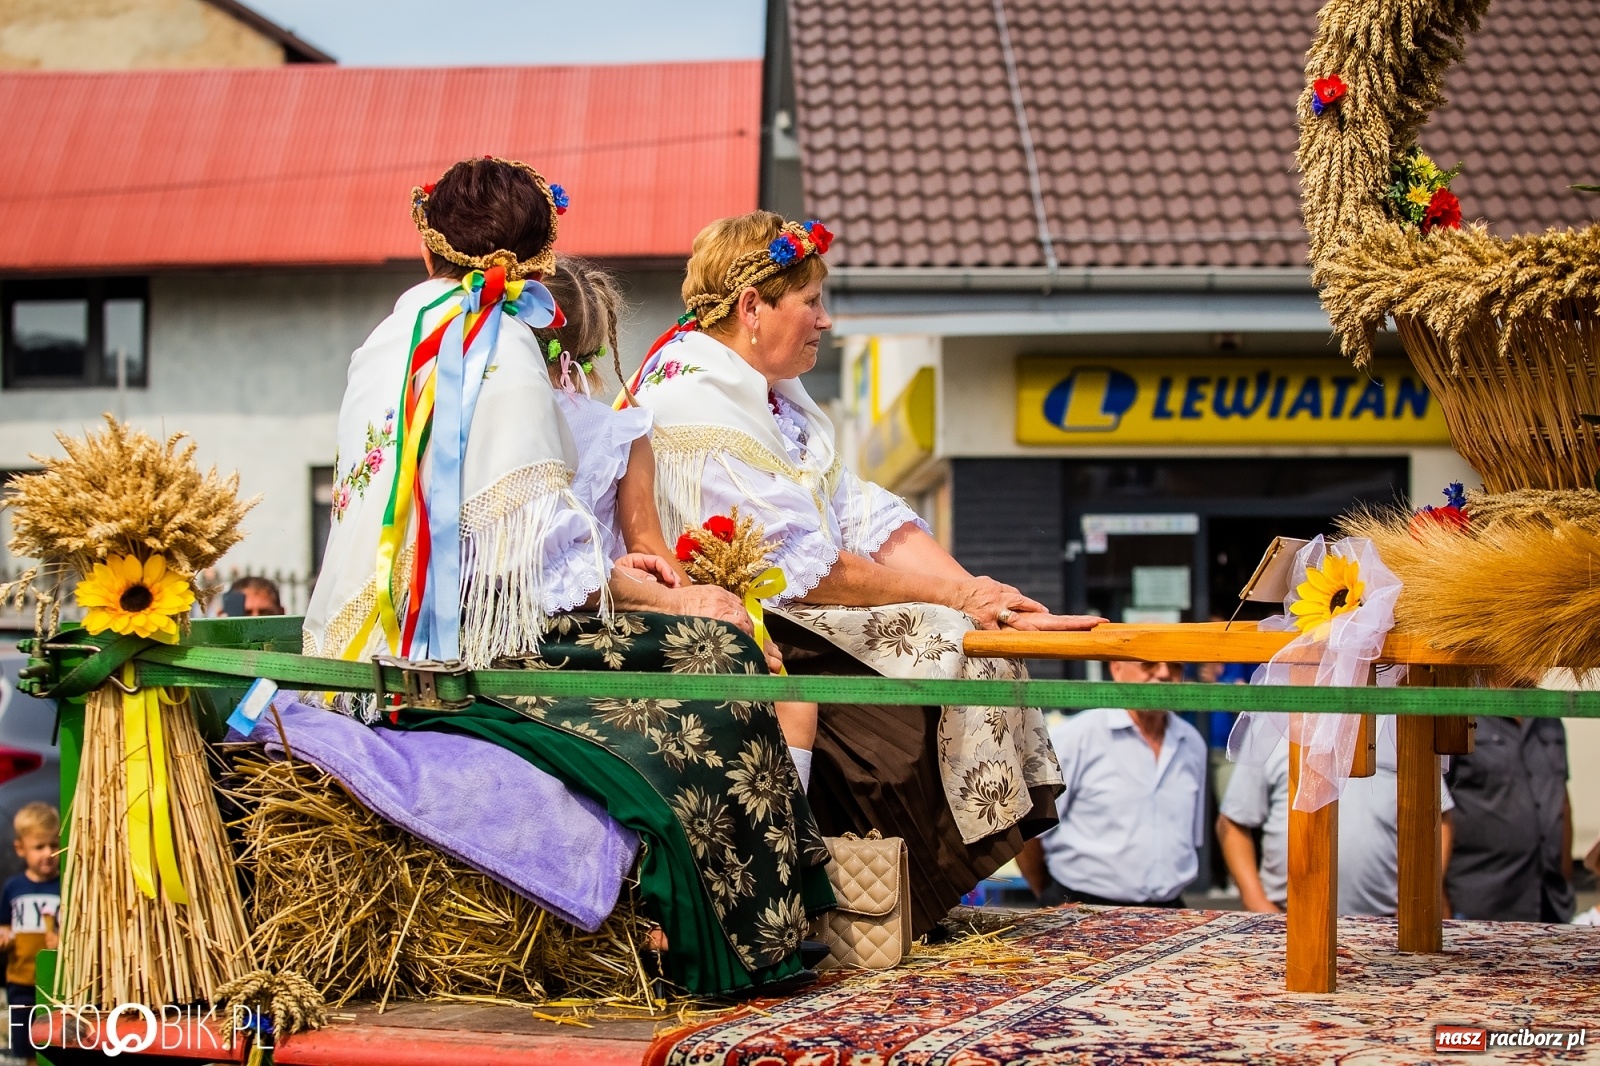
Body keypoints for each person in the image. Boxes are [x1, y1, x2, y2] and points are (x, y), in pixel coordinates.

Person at [302, 159, 830, 997]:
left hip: (366, 647)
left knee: (706, 648)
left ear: (428, 248)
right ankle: (746, 933)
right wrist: (668, 593)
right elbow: (537, 560)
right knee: (718, 660)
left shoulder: (392, 334)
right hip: (467, 660)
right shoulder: (500, 345)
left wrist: (618, 576)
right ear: (542, 256)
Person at [629, 210, 1104, 935]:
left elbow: (863, 513)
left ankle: (888, 903)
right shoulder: (695, 402)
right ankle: (821, 900)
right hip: (732, 622)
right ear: (753, 308)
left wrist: (985, 598)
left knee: (969, 645)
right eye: (811, 300)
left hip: (788, 607)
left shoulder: (770, 398)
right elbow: (798, 567)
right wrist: (955, 599)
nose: (825, 320)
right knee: (922, 682)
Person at [1016, 661, 1207, 907]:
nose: (1163, 674)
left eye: (1175, 666)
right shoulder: (1077, 737)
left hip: (1170, 908)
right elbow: (1030, 832)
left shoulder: (1191, 742)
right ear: (1117, 669)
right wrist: (1048, 897)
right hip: (1081, 906)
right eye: (1149, 664)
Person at [1216, 723, 1454, 915]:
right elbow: (1233, 823)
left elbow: (1439, 819)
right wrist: (1257, 902)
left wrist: (1419, 898)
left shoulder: (1397, 724)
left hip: (1387, 925)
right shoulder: (1276, 724)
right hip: (1284, 919)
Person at [1444, 716, 1574, 922]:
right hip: (1481, 903)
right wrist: (1437, 898)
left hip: (1550, 902)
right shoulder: (1462, 713)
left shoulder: (1548, 716)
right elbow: (1435, 810)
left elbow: (1561, 801)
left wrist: (1566, 882)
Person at [0, 804, 59, 1063]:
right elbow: (4, 923)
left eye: (53, 844)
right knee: (24, 1043)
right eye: (39, 847)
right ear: (20, 848)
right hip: (21, 980)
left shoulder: (65, 885)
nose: (48, 853)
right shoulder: (14, 887)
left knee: (53, 1041)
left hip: (54, 984)